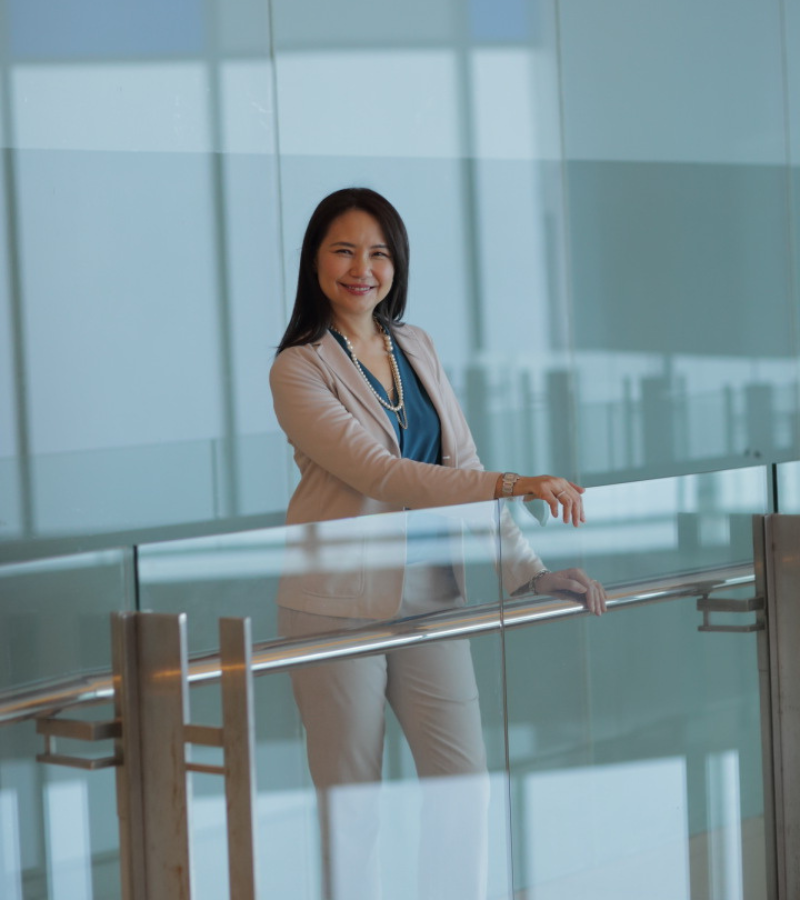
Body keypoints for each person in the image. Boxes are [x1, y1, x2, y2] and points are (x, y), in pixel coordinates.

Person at [270, 187, 606, 900]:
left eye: (379, 253)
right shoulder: (298, 368)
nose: (363, 268)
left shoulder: (413, 344)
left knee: (463, 793)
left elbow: (464, 467)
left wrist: (531, 572)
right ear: (315, 261)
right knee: (352, 813)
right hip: (338, 608)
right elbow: (383, 475)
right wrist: (518, 483)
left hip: (434, 600)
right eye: (344, 250)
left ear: (397, 265)